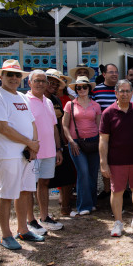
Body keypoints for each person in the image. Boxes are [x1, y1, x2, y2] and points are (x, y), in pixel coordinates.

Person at [0, 59, 44, 250]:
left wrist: (33, 146)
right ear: (1, 76)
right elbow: (3, 128)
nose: (13, 78)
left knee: (25, 191)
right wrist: (30, 143)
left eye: (17, 75)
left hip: (25, 154)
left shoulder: (21, 97)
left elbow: (32, 122)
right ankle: (5, 235)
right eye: (9, 74)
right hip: (7, 154)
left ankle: (23, 230)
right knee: (7, 194)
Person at [99, 79, 133, 237]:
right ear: (116, 93)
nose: (125, 94)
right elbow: (103, 139)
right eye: (122, 91)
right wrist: (103, 162)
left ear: (132, 93)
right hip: (116, 161)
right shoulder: (108, 113)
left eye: (128, 91)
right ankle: (118, 222)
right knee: (117, 191)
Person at [25, 70, 64, 233]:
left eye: (43, 81)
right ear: (29, 83)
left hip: (49, 151)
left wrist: (58, 149)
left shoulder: (48, 102)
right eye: (37, 80)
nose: (40, 84)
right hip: (32, 152)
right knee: (28, 186)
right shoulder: (24, 101)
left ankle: (44, 217)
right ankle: (30, 220)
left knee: (44, 183)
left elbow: (54, 127)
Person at [62, 76, 101, 216]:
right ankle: (83, 205)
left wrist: (101, 142)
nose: (82, 89)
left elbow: (99, 126)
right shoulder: (70, 105)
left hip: (93, 141)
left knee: (92, 173)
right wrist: (71, 141)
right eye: (78, 87)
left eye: (84, 87)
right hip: (76, 143)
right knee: (83, 172)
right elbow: (64, 125)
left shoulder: (96, 105)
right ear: (76, 89)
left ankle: (92, 203)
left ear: (89, 88)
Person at [45, 69, 76, 216]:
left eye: (56, 83)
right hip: (42, 144)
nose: (53, 86)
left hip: (59, 143)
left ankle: (65, 208)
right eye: (50, 82)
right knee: (42, 181)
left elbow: (60, 123)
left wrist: (64, 143)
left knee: (68, 176)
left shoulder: (56, 100)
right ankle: (43, 214)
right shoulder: (34, 99)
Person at [93, 63, 119, 200]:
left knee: (119, 162)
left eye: (116, 72)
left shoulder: (121, 89)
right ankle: (107, 190)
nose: (114, 74)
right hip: (104, 132)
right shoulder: (96, 91)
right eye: (111, 72)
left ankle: (120, 189)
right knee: (106, 160)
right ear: (104, 74)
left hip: (120, 132)